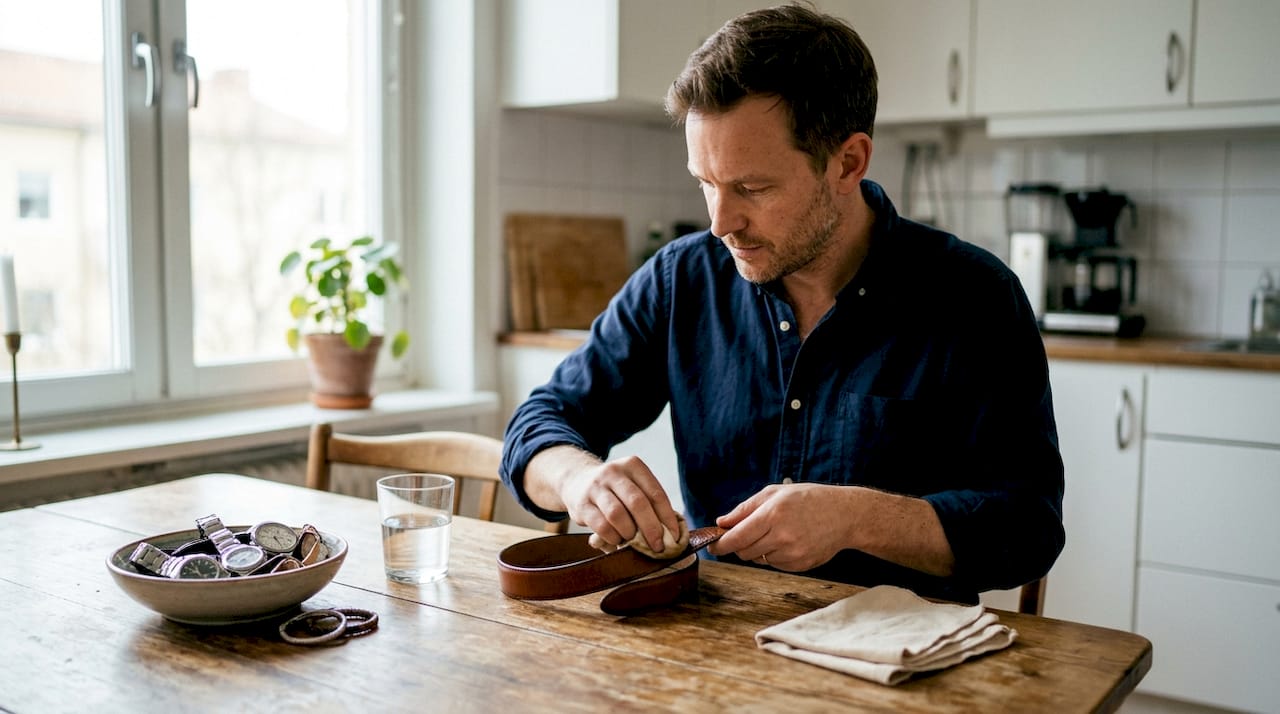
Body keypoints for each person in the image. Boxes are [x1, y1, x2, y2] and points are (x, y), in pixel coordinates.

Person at [500, 3, 1064, 603]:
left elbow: (1027, 529)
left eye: (752, 188)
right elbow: (536, 427)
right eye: (705, 183)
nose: (721, 223)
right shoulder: (680, 280)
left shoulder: (974, 298)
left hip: (902, 666)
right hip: (715, 653)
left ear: (847, 163)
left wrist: (856, 518)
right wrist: (580, 479)